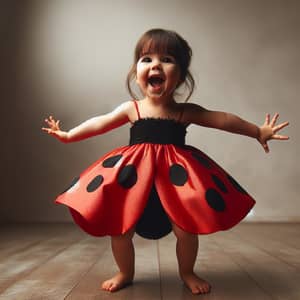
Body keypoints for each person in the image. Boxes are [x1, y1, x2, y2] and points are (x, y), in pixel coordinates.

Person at [42, 28, 289, 295]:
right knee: (121, 230)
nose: (155, 64)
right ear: (136, 72)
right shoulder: (132, 108)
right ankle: (125, 271)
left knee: (185, 230)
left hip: (174, 181)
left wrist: (257, 131)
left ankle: (187, 272)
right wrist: (69, 135)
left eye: (167, 59)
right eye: (146, 59)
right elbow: (100, 123)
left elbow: (224, 119)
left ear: (181, 76)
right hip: (134, 180)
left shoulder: (184, 111)